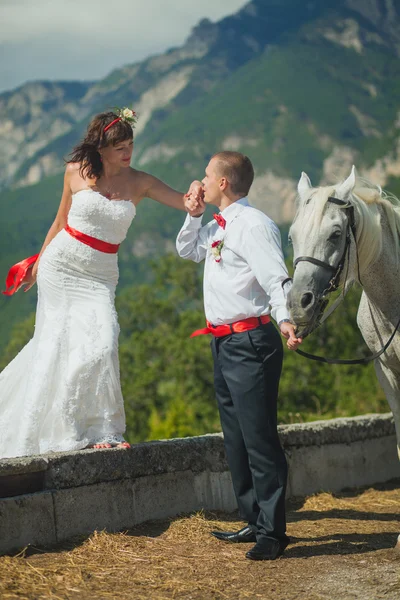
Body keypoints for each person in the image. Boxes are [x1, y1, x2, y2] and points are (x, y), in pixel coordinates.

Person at [0, 108, 200, 459]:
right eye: (120, 146)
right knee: (56, 345)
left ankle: (100, 427)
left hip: (99, 277)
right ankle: (75, 431)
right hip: (60, 268)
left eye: (131, 144)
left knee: (103, 342)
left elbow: (185, 202)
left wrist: (197, 195)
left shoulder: (141, 182)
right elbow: (60, 221)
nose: (128, 152)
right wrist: (37, 263)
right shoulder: (75, 172)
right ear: (101, 148)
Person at [176, 151, 302, 561]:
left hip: (251, 343)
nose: (202, 181)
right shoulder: (217, 225)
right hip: (223, 343)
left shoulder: (254, 225)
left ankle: (273, 531)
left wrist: (285, 320)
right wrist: (193, 215)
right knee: (237, 439)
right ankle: (253, 519)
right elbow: (188, 251)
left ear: (224, 183)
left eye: (207, 175)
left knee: (260, 438)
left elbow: (274, 277)